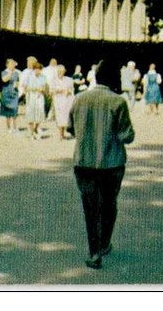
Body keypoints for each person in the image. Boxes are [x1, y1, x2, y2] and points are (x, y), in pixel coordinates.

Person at [67, 65, 135, 269]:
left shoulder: (79, 99)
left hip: (84, 162)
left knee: (90, 207)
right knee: (109, 204)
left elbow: (71, 128)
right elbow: (127, 135)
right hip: (111, 164)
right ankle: (104, 243)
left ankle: (94, 252)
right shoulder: (118, 102)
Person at [21, 57, 47, 140]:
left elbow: (43, 88)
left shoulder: (43, 77)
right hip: (31, 96)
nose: (37, 71)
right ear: (34, 69)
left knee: (40, 114)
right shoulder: (29, 76)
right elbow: (25, 87)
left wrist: (40, 89)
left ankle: (36, 129)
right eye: (36, 69)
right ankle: (31, 133)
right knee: (31, 114)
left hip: (39, 96)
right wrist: (34, 89)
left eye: (39, 69)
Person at [51, 64, 76, 140]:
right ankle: (60, 134)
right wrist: (58, 90)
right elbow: (51, 91)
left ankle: (63, 132)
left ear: (64, 72)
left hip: (66, 101)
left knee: (65, 117)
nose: (60, 73)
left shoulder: (69, 80)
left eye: (62, 71)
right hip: (58, 100)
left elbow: (72, 90)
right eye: (59, 71)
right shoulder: (54, 80)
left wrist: (68, 91)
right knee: (59, 117)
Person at [0, 58, 21, 133]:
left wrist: (17, 84)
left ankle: (15, 126)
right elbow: (4, 80)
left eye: (13, 63)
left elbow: (18, 81)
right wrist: (10, 73)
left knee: (15, 110)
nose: (12, 65)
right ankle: (9, 127)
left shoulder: (17, 73)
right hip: (6, 92)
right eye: (11, 64)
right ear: (7, 65)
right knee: (7, 112)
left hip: (14, 92)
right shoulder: (4, 72)